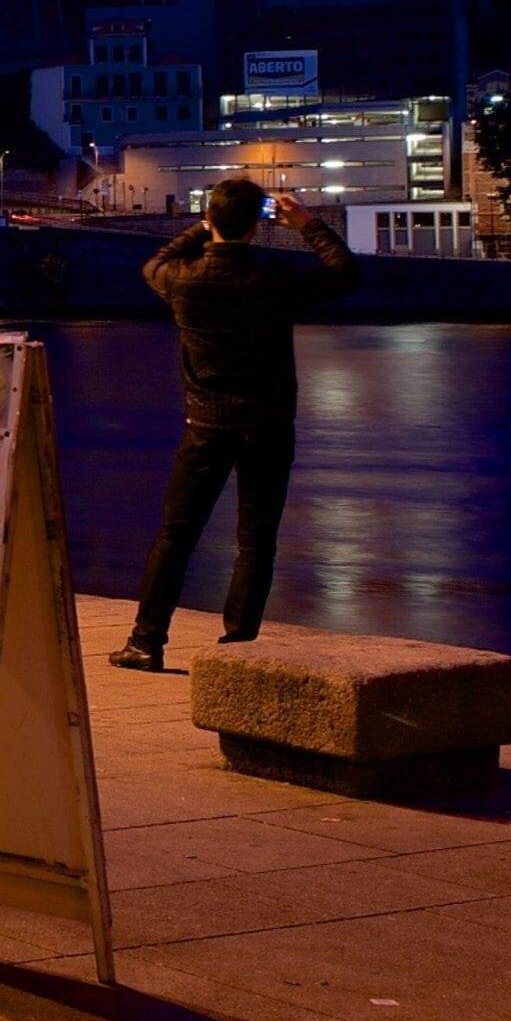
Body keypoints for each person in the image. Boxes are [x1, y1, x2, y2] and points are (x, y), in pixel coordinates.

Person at [112, 178, 361, 672]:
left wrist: (200, 228)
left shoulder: (182, 279)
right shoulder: (274, 282)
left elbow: (152, 264)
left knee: (176, 535)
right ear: (256, 225)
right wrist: (309, 224)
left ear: (211, 220)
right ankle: (238, 650)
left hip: (205, 423)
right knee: (255, 540)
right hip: (268, 424)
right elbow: (344, 273)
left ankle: (146, 642)